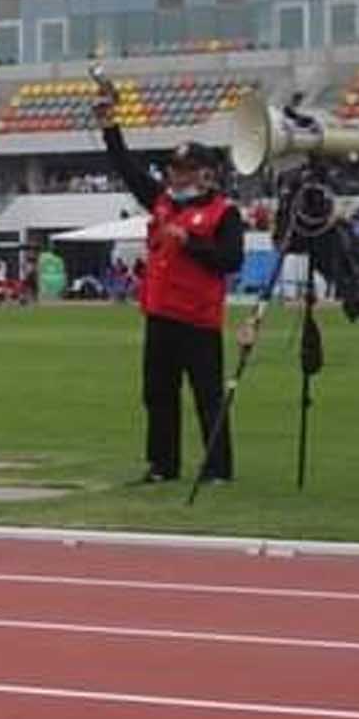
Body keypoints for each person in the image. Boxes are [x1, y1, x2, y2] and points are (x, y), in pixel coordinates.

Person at [96, 96, 243, 484]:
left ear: (206, 173)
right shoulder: (163, 202)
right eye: (175, 169)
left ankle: (218, 468)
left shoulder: (223, 212)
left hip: (198, 317)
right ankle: (163, 464)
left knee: (207, 396)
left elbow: (231, 260)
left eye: (186, 169)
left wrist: (192, 243)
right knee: (158, 394)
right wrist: (110, 125)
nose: (177, 176)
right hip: (160, 314)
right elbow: (128, 170)